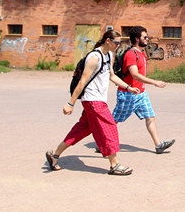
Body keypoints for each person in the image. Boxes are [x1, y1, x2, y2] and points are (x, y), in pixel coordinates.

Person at [45, 30, 140, 175]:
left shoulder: (109, 55)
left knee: (81, 130)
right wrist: (70, 103)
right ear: (108, 41)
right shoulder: (94, 57)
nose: (118, 45)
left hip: (97, 100)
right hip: (92, 100)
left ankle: (54, 154)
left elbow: (112, 75)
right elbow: (82, 81)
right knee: (109, 128)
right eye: (116, 42)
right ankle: (114, 165)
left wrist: (128, 87)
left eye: (120, 43)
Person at [113, 25, 175, 154]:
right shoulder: (131, 54)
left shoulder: (142, 53)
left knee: (150, 117)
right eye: (145, 37)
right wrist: (154, 82)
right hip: (128, 94)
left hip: (141, 94)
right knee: (114, 120)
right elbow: (135, 74)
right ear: (137, 39)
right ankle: (102, 142)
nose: (148, 39)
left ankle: (158, 145)